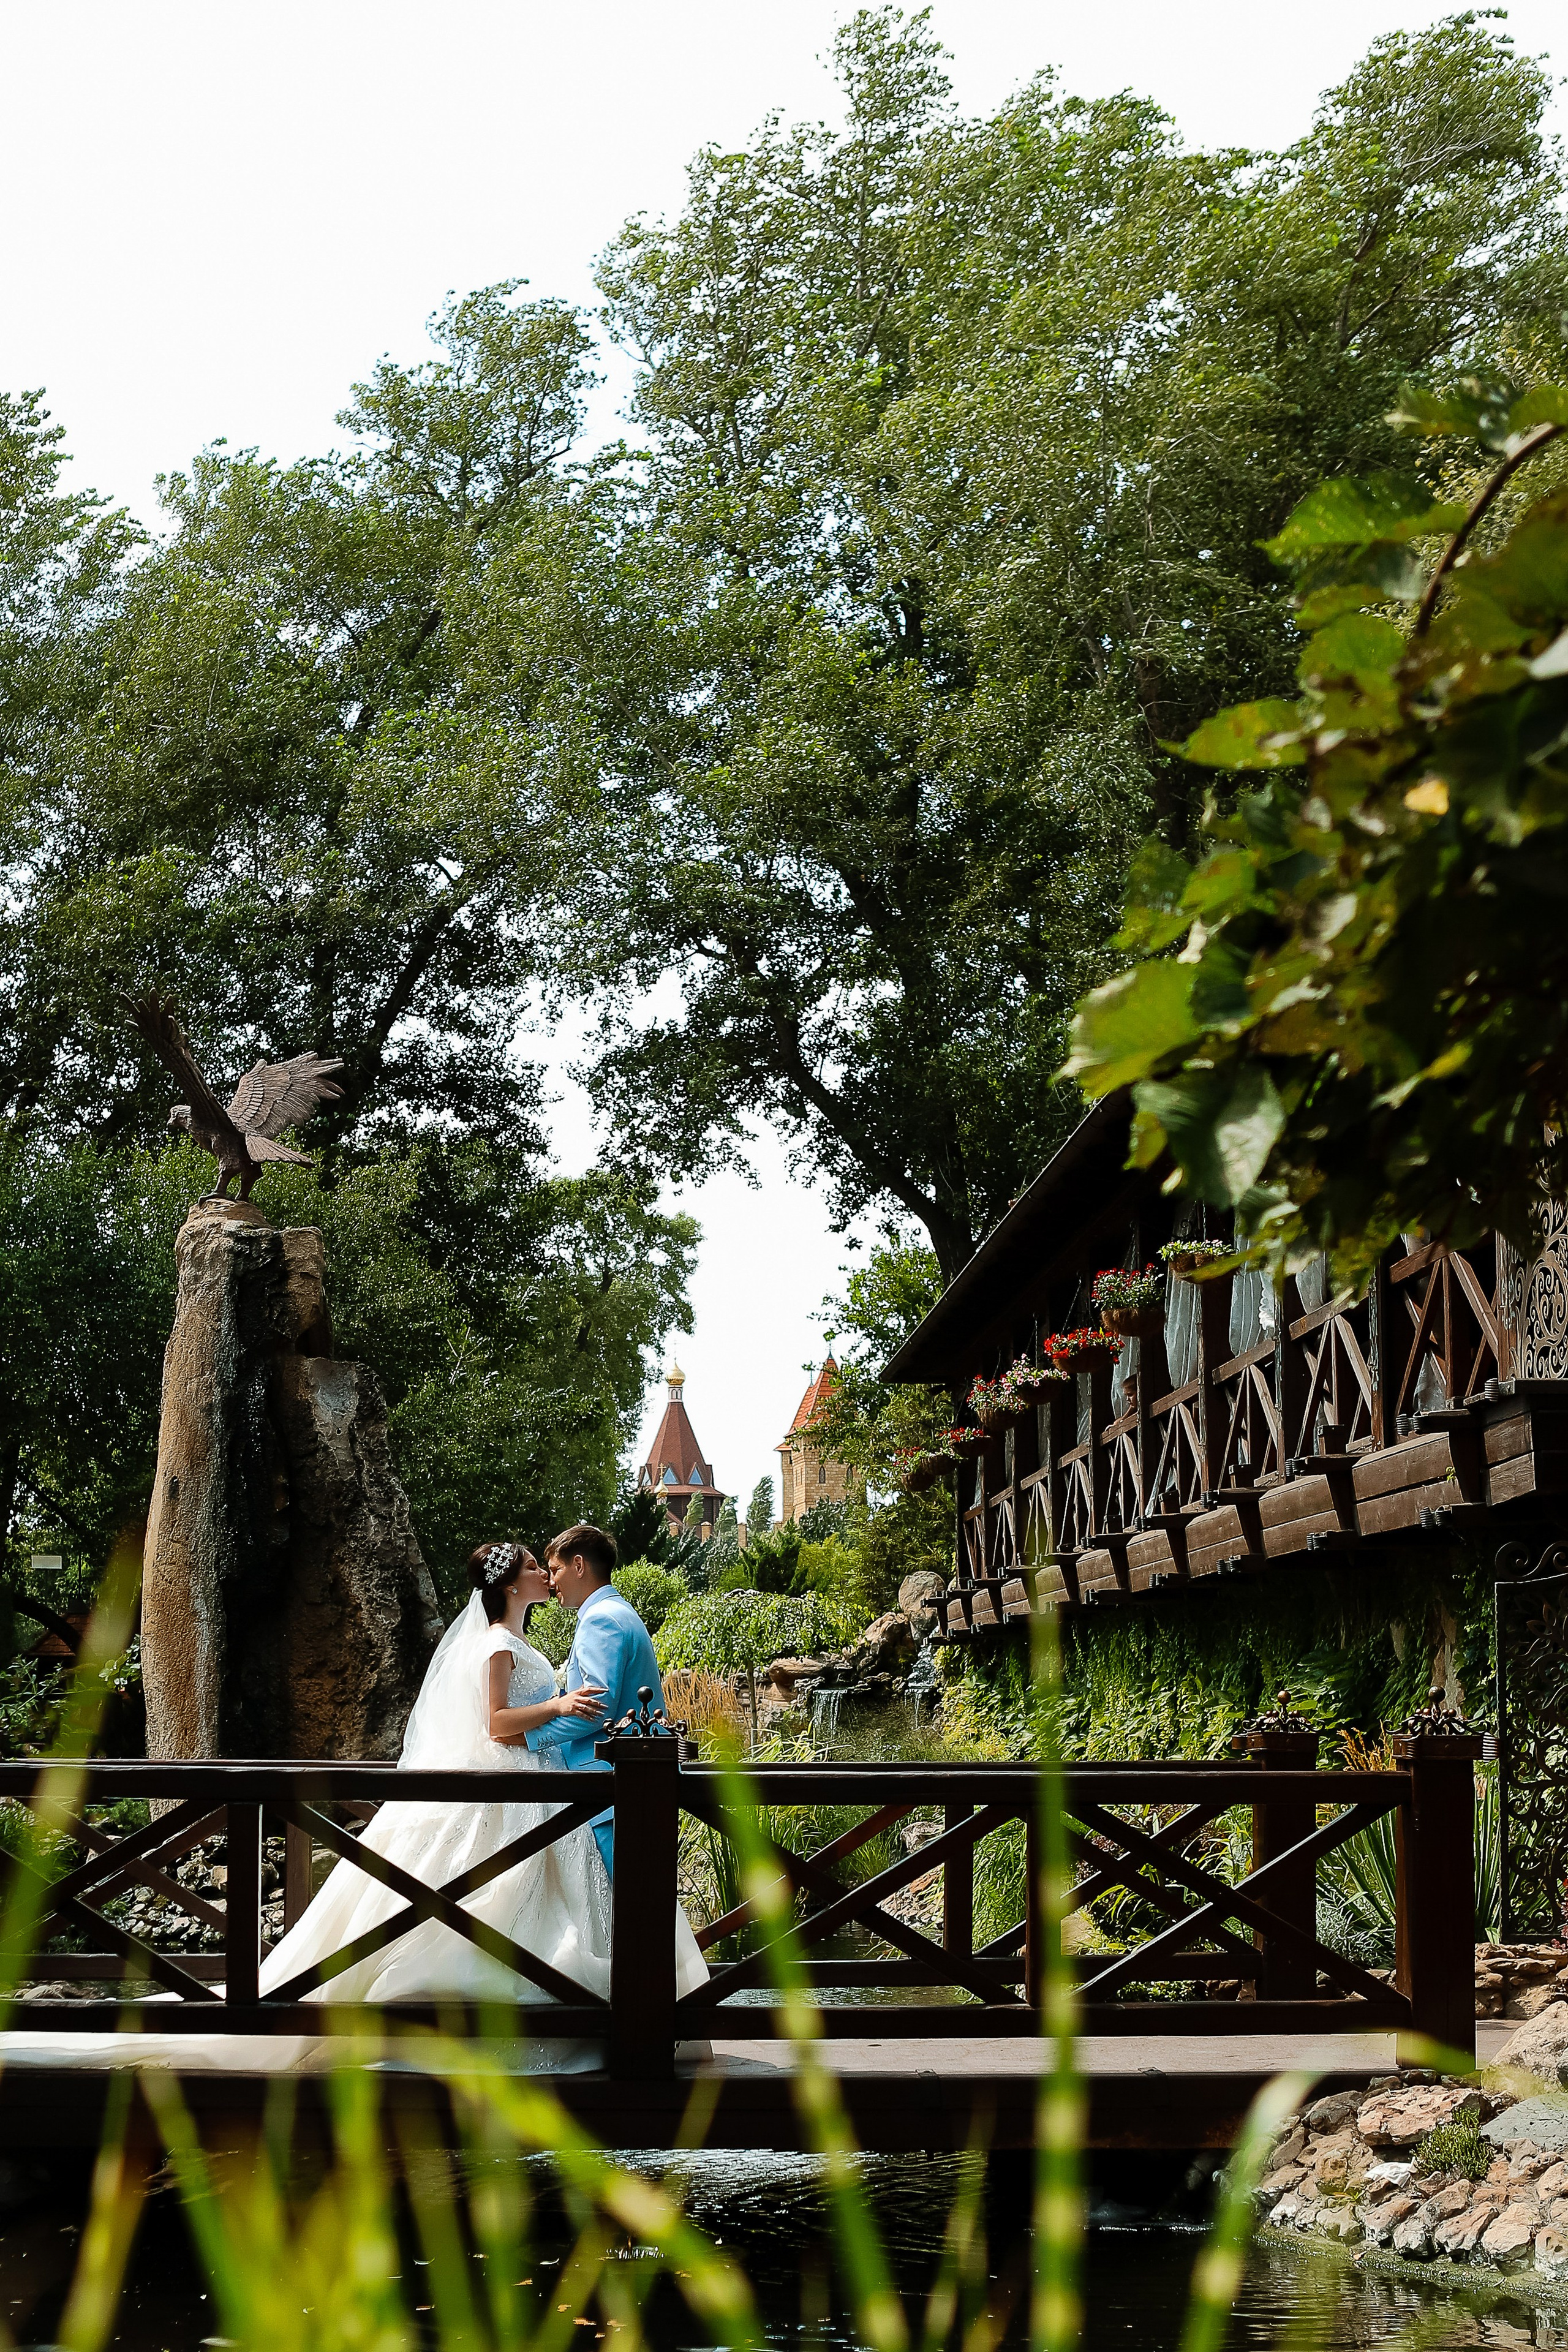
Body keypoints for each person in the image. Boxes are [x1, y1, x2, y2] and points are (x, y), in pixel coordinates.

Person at [255, 1539, 707, 2014]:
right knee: (497, 1891)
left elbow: (583, 1708)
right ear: (511, 1584)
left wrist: (545, 1722)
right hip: (528, 1780)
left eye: (548, 1567)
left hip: (557, 1781)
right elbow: (499, 1724)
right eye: (537, 1568)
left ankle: (616, 2006)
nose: (547, 1578)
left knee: (553, 1898)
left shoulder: (572, 1626)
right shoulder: (501, 1641)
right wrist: (555, 1706)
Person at [526, 1523, 665, 1877]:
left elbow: (593, 1711)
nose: (551, 1581)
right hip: (635, 1781)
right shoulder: (619, 1612)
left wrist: (528, 1739)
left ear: (579, 1565)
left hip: (611, 1787)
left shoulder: (600, 1621)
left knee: (625, 1907)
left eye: (555, 1570)